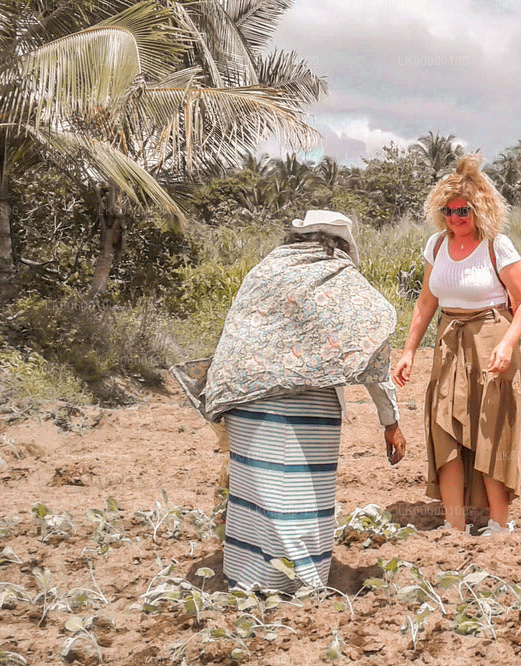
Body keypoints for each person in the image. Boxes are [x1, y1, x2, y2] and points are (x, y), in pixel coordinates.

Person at [171, 210, 405, 593]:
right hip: (308, 410)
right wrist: (389, 421)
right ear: (342, 244)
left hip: (248, 405)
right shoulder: (342, 281)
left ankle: (248, 579)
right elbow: (374, 351)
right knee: (299, 499)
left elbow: (237, 341)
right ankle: (299, 583)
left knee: (257, 495)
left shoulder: (263, 274)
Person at [392, 155, 521, 536]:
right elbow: (426, 301)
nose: (455, 217)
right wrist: (408, 349)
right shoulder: (436, 246)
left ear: (479, 209)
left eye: (463, 210)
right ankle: (454, 526)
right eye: (448, 210)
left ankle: (499, 524)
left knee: (490, 431)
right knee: (446, 430)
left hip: (491, 342)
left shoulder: (496, 246)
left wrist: (507, 344)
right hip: (449, 342)